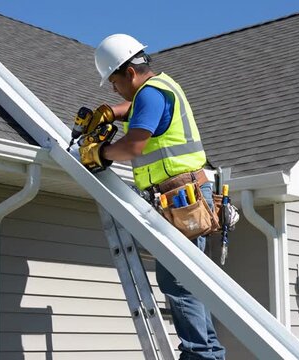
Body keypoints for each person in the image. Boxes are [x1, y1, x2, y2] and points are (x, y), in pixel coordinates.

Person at [91, 33, 226, 360]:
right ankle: (208, 354)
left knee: (178, 283)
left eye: (114, 82)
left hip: (181, 197)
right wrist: (112, 112)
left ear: (130, 73)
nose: (114, 88)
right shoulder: (161, 86)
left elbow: (135, 145)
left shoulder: (149, 96)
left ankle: (199, 355)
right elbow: (138, 108)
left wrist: (101, 153)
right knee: (189, 281)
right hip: (184, 194)